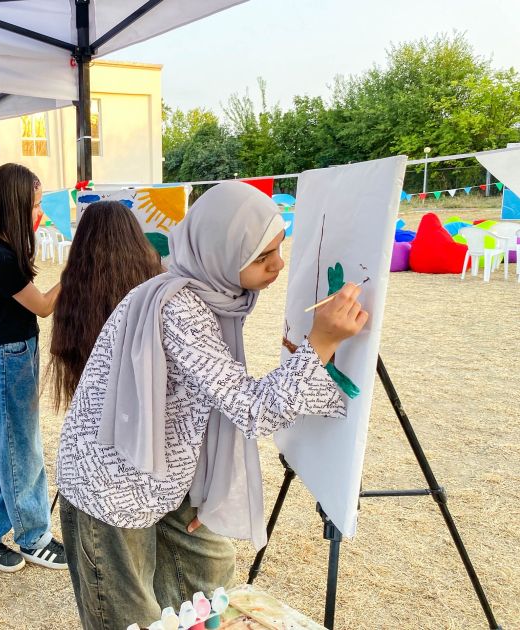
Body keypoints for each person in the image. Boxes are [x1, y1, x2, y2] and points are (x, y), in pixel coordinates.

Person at [55, 182, 370, 630]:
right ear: (220, 252)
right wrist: (320, 343)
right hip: (111, 486)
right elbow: (252, 408)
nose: (278, 264)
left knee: (210, 586)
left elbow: (203, 399)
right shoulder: (180, 307)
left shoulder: (212, 294)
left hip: (162, 474)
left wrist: (206, 487)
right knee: (132, 620)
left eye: (279, 248)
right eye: (262, 256)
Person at [0, 162, 65, 573]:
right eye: (34, 205)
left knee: (5, 451)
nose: (39, 212)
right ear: (13, 205)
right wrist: (72, 272)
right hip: (5, 360)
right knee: (21, 452)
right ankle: (33, 536)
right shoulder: (0, 256)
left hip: (10, 356)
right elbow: (42, 306)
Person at [47, 200, 163, 413]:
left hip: (92, 404)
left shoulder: (74, 287)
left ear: (83, 241)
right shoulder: (155, 280)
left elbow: (61, 348)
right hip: (144, 400)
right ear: (134, 236)